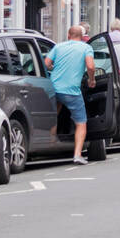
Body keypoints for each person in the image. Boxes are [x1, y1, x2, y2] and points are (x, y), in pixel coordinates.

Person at [43, 26, 96, 166]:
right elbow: (90, 67)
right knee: (81, 122)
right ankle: (77, 155)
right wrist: (92, 80)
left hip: (53, 88)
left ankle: (49, 144)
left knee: (54, 115)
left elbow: (46, 64)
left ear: (68, 35)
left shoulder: (58, 47)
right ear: (82, 36)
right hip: (71, 91)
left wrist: (55, 69)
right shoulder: (86, 48)